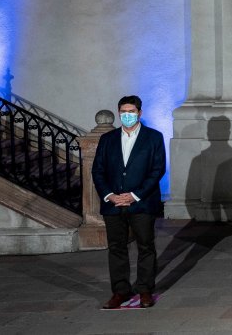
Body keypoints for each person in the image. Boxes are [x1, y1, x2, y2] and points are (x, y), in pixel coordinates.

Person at [92, 95, 166, 309]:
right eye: (123, 111)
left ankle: (145, 290)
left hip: (141, 203)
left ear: (139, 113)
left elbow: (157, 170)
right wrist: (110, 195)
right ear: (118, 113)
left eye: (131, 111)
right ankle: (120, 291)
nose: (127, 115)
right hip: (113, 204)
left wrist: (135, 195)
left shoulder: (153, 137)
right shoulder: (108, 139)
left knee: (145, 246)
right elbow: (98, 170)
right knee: (116, 248)